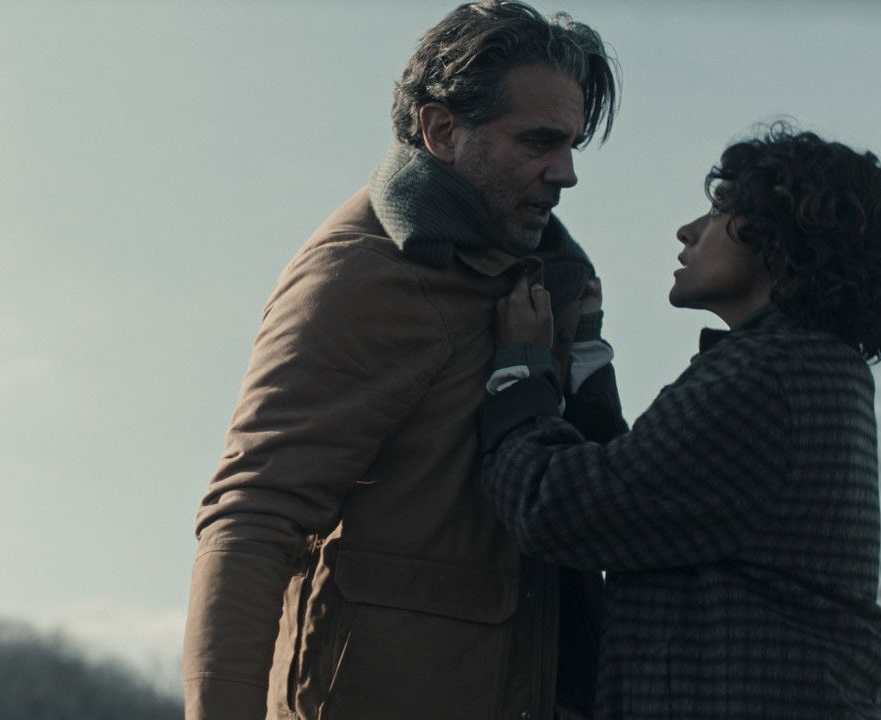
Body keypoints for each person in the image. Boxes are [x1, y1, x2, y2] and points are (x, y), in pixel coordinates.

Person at [181, 3, 619, 719]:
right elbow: (254, 514)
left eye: (571, 145)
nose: (566, 173)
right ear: (442, 131)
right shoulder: (360, 272)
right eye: (539, 142)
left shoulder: (547, 283)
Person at [479, 124, 881, 718]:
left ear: (780, 234)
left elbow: (555, 508)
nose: (688, 231)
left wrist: (518, 370)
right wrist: (584, 354)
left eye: (720, 210)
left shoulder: (768, 375)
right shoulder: (806, 369)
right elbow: (649, 506)